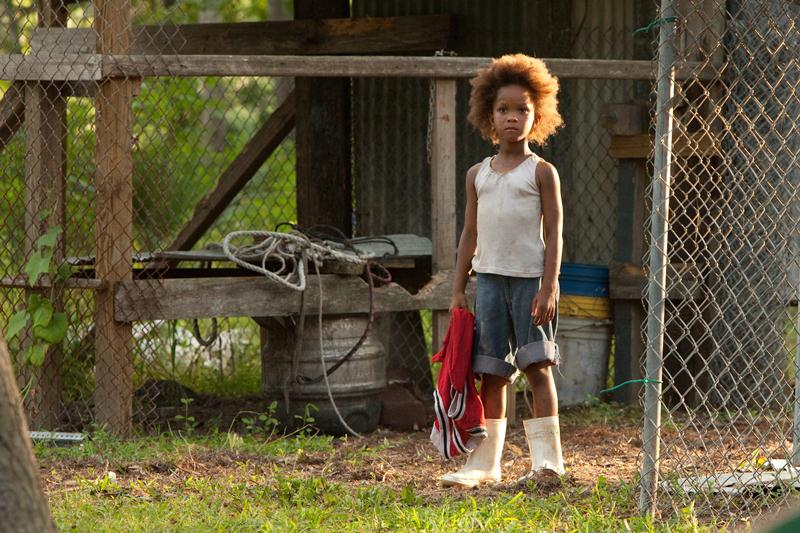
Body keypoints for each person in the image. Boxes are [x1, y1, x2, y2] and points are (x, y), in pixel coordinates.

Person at [441, 53, 565, 488]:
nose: (513, 117)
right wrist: (458, 288)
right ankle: (485, 464)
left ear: (537, 115)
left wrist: (549, 286)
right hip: (489, 283)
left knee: (537, 367)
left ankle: (547, 463)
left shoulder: (542, 173)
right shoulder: (478, 174)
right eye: (503, 109)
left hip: (530, 284)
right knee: (492, 371)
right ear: (488, 116)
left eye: (522, 110)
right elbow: (469, 233)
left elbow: (556, 232)